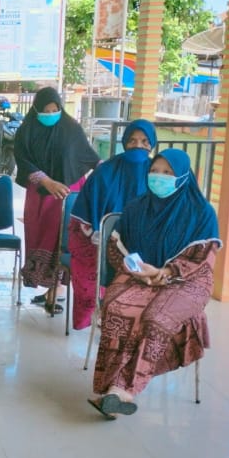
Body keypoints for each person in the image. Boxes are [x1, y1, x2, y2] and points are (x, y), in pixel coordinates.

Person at [89, 149, 219, 418]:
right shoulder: (137, 207)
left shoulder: (201, 212)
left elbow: (203, 258)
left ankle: (122, 390)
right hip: (139, 275)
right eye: (155, 171)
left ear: (183, 176)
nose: (159, 177)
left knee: (156, 318)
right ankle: (114, 391)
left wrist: (166, 272)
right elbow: (117, 248)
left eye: (167, 173)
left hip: (187, 280)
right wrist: (137, 271)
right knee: (118, 308)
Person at [13, 87, 100, 313]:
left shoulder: (71, 128)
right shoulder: (26, 131)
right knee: (41, 237)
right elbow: (23, 161)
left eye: (55, 109)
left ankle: (56, 290)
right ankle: (48, 288)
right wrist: (46, 181)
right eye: (46, 110)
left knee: (64, 239)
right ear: (36, 109)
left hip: (68, 194)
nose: (51, 113)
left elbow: (88, 156)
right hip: (41, 196)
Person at [66, 120, 155, 331]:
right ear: (124, 142)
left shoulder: (157, 171)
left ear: (152, 144)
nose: (138, 146)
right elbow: (85, 210)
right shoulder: (105, 170)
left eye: (144, 141)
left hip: (146, 247)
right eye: (132, 140)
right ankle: (103, 313)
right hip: (100, 244)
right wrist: (98, 233)